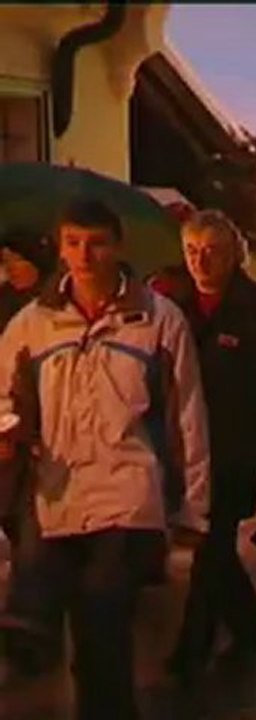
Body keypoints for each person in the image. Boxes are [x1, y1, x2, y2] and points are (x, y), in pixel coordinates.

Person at [0, 199, 210, 719]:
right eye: (73, 243)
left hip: (128, 495)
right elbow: (3, 396)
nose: (84, 256)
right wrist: (11, 429)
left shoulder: (159, 320)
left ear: (117, 246)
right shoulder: (33, 324)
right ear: (60, 247)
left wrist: (193, 508)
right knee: (75, 631)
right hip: (57, 494)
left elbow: (187, 415)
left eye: (95, 244)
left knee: (104, 624)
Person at [148, 211, 256, 679]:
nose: (201, 261)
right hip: (185, 447)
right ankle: (248, 629)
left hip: (236, 450)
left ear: (234, 254)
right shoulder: (171, 305)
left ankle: (192, 649)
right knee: (214, 548)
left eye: (212, 251)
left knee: (212, 545)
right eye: (192, 251)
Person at [0, 228, 62, 675]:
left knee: (34, 535)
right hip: (9, 432)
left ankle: (35, 631)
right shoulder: (6, 303)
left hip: (43, 439)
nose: (9, 268)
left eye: (15, 259)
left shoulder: (51, 309)